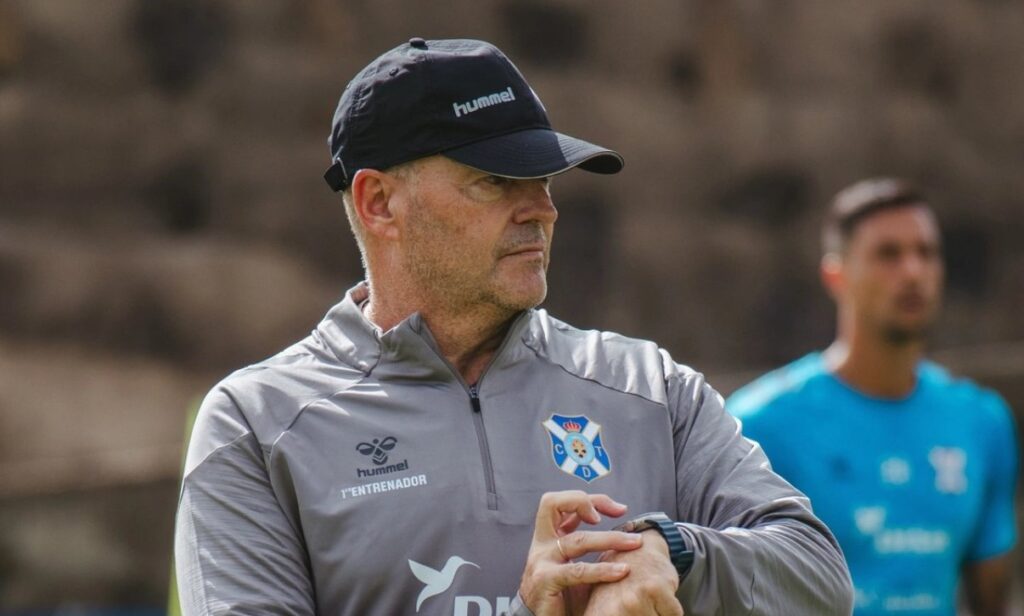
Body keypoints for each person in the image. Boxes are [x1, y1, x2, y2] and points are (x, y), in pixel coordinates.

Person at [174, 38, 853, 615]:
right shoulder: (256, 424)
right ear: (379, 203)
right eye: (495, 181)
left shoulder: (651, 387)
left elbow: (820, 578)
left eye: (545, 178)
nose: (541, 210)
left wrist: (672, 553)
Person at [727, 178, 1019, 616]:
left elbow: (991, 600)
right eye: (888, 254)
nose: (912, 272)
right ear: (836, 274)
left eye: (926, 252)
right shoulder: (759, 425)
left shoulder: (981, 421)